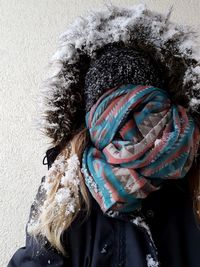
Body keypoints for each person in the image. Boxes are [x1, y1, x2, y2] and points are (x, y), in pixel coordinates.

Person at [7, 4, 200, 267]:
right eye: (112, 113)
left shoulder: (194, 180)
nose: (129, 129)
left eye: (141, 107)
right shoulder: (66, 188)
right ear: (90, 120)